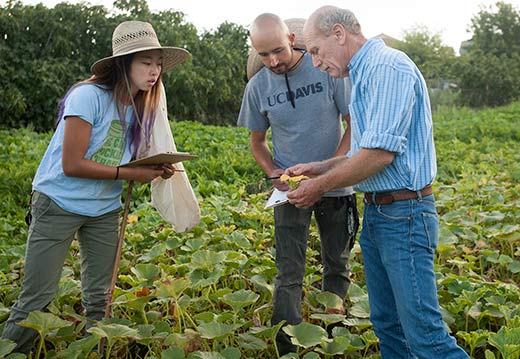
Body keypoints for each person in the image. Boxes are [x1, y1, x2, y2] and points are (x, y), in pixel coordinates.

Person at [286, 6, 470, 359]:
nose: (315, 62)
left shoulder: (387, 67)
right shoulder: (364, 73)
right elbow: (363, 151)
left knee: (426, 337)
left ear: (338, 34)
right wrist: (318, 168)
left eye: (315, 51)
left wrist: (318, 188)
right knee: (388, 326)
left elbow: (378, 155)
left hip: (405, 214)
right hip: (380, 214)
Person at [1, 20, 190, 353]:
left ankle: (96, 351)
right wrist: (133, 175)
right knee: (36, 299)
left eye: (158, 63)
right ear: (123, 64)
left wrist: (154, 166)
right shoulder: (87, 96)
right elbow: (72, 164)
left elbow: (129, 158)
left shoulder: (144, 106)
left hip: (104, 209)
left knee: (99, 299)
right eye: (146, 62)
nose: (155, 71)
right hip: (58, 202)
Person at [237, 13, 359, 356]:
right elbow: (257, 142)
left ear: (291, 38)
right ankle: (287, 346)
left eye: (278, 50)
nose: (273, 61)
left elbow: (352, 125)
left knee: (336, 263)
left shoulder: (325, 69)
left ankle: (335, 337)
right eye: (264, 55)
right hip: (290, 193)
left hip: (336, 186)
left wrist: (331, 170)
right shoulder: (257, 87)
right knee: (289, 270)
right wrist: (276, 175)